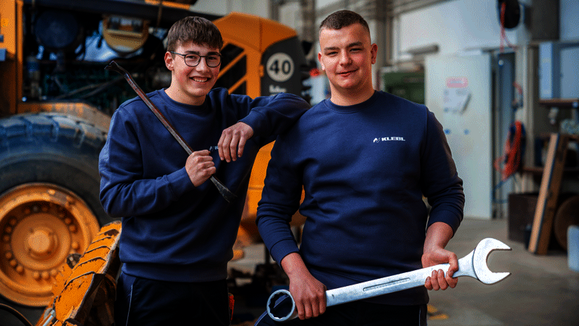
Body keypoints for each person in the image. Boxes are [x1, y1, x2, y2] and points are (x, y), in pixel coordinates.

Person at [256, 10, 465, 326]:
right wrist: (297, 274)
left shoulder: (417, 120)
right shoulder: (298, 130)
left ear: (373, 53)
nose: (344, 60)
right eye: (333, 52)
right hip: (322, 298)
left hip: (400, 296)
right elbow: (271, 211)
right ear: (321, 61)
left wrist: (434, 244)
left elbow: (448, 193)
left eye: (354, 48)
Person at [98, 16, 309, 326]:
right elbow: (115, 198)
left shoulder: (232, 109)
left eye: (212, 58)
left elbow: (295, 104)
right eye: (191, 57)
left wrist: (249, 124)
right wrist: (182, 179)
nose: (203, 68)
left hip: (211, 283)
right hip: (150, 283)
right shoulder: (133, 116)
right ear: (170, 60)